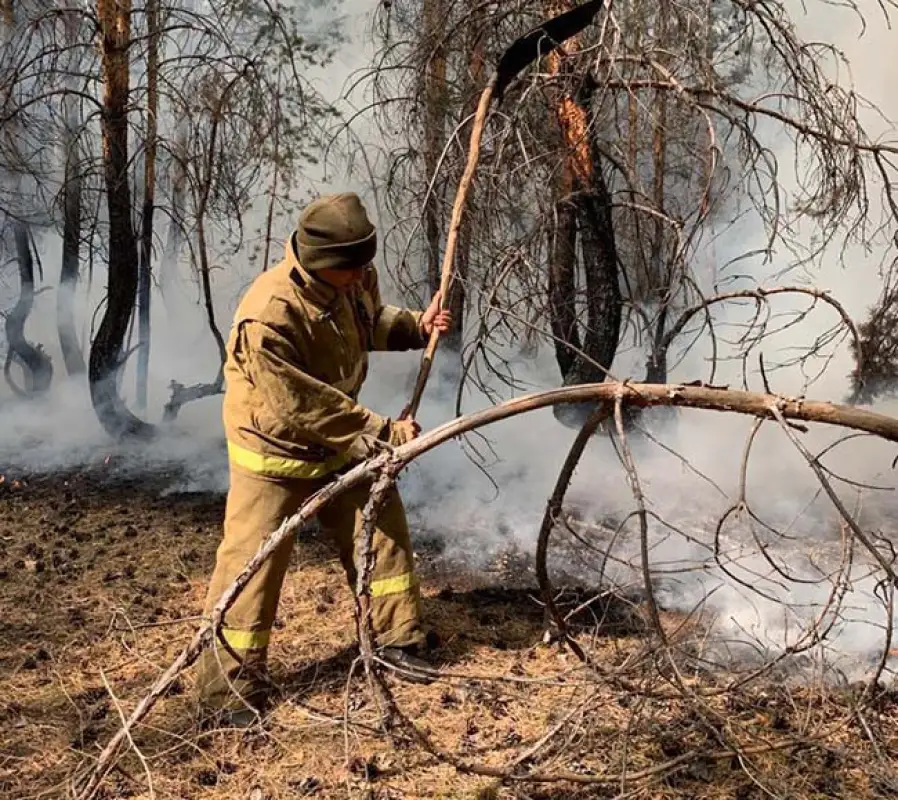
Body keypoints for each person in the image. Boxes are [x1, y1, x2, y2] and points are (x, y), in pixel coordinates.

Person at [196, 192, 452, 725]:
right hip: (275, 452)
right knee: (252, 568)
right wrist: (383, 432)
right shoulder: (268, 317)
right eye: (351, 269)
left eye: (363, 266)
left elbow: (366, 322)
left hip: (338, 442)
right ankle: (228, 691)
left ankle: (395, 639)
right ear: (321, 263)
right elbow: (302, 406)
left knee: (381, 528)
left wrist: (415, 327)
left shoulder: (351, 276)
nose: (361, 277)